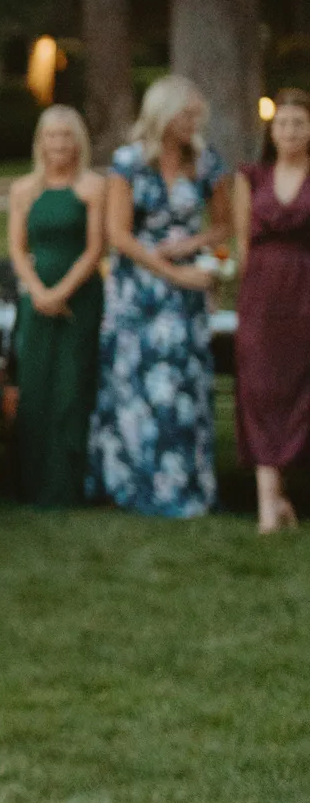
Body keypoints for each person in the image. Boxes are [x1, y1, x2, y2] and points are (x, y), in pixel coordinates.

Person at [87, 76, 229, 519]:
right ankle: (136, 482)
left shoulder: (204, 162)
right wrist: (171, 273)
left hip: (185, 292)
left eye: (196, 116)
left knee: (182, 384)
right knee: (136, 384)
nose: (193, 123)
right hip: (139, 292)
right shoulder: (128, 164)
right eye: (187, 115)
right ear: (163, 115)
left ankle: (187, 484)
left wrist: (188, 249)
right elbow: (118, 235)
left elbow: (223, 225)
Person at [7, 105, 106, 507]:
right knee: (36, 386)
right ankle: (32, 482)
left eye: (67, 136)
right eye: (51, 136)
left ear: (78, 141)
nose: (59, 144)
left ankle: (70, 483)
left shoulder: (93, 187)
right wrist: (39, 292)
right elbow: (16, 248)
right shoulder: (22, 190)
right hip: (36, 299)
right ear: (40, 142)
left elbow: (97, 247)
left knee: (72, 385)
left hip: (80, 296)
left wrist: (62, 292)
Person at [232, 86, 310, 533]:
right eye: (283, 123)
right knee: (260, 388)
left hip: (305, 290)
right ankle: (268, 501)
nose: (291, 131)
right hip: (262, 292)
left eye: (300, 123)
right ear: (272, 129)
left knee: (299, 389)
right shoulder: (252, 176)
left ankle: (284, 497)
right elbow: (243, 242)